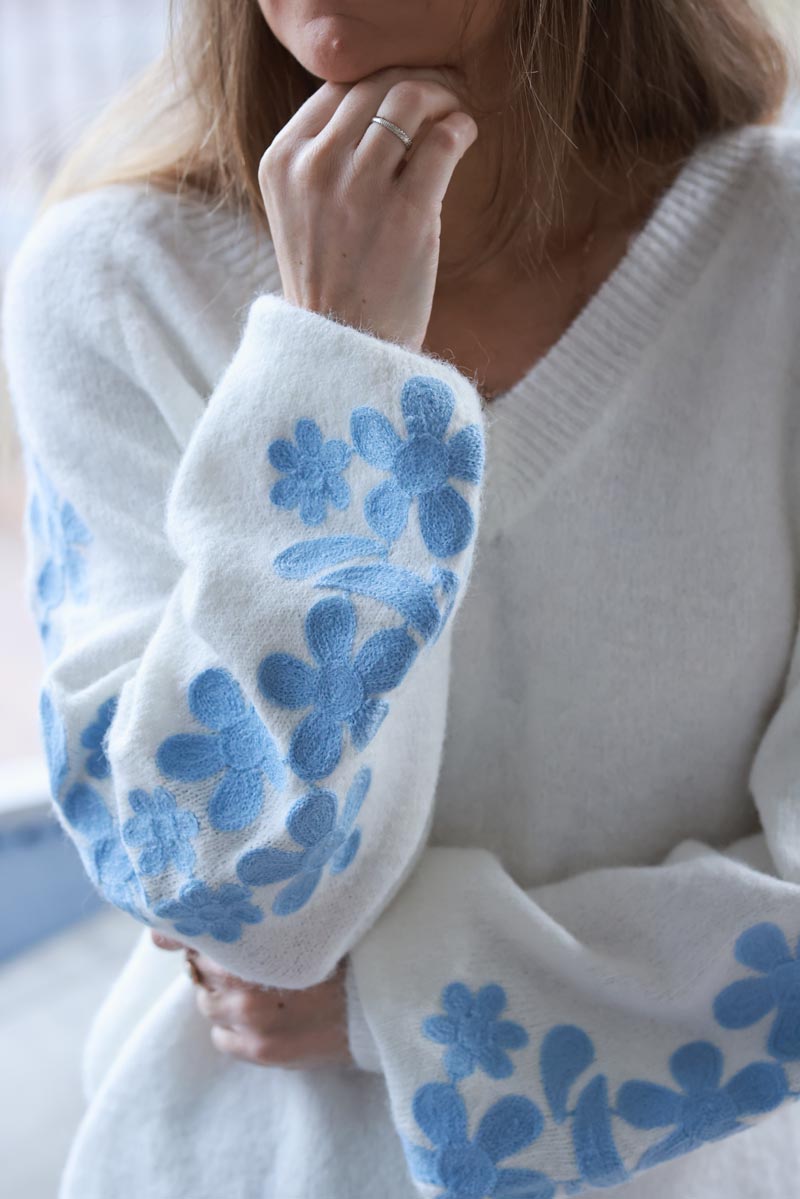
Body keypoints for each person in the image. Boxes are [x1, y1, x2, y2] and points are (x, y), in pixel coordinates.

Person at [3, 0, 800, 1196]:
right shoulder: (111, 280)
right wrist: (335, 364)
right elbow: (223, 892)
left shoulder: (775, 257)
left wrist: (411, 1002)